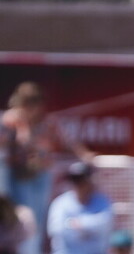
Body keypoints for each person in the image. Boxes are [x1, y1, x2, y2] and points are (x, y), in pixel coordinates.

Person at [3, 81, 91, 235]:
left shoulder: (48, 121)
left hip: (42, 173)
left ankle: (33, 252)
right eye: (28, 104)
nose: (34, 108)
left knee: (39, 214)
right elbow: (22, 142)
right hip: (20, 175)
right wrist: (24, 123)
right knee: (24, 214)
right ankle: (24, 252)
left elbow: (66, 140)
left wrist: (84, 154)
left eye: (36, 103)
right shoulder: (11, 119)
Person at [46, 161, 114, 254]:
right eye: (74, 180)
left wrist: (79, 224)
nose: (78, 184)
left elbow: (105, 223)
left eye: (81, 179)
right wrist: (88, 228)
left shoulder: (102, 201)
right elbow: (57, 230)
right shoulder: (61, 203)